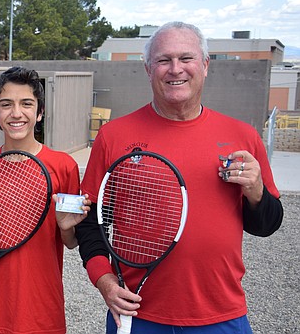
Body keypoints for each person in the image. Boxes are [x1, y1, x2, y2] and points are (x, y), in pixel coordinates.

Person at [75, 21, 284, 333]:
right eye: (163, 60)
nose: (175, 69)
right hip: (137, 314)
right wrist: (103, 280)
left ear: (205, 65)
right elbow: (89, 219)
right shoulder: (113, 136)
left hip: (222, 315)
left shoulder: (243, 136)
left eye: (186, 58)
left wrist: (255, 190)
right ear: (148, 69)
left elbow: (267, 225)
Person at [0, 66, 90, 334]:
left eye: (26, 104)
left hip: (43, 311)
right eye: (6, 104)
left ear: (39, 112)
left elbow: (71, 241)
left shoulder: (64, 166)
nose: (16, 113)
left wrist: (66, 227)